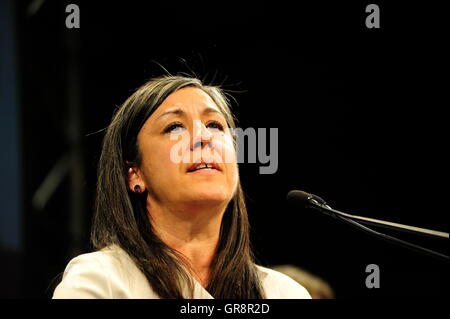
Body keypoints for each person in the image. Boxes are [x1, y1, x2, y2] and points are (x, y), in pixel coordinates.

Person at [52, 75, 311, 299]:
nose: (204, 137)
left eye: (215, 125)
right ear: (134, 173)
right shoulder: (100, 282)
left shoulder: (284, 293)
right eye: (174, 127)